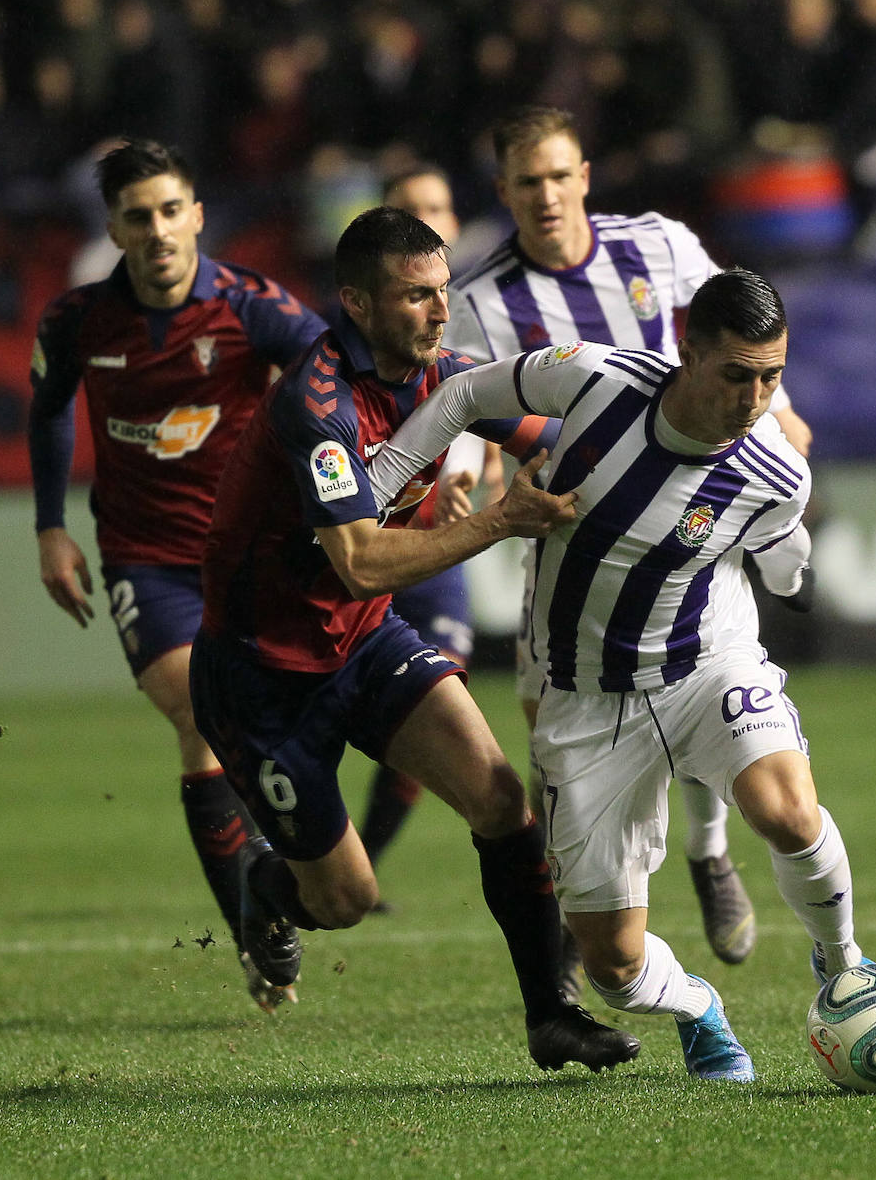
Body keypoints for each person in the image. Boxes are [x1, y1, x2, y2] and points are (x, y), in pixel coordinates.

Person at [367, 267, 876, 1079]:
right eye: (736, 375)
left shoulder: (775, 471)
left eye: (771, 377)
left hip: (704, 666)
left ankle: (843, 963)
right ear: (687, 353)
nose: (754, 398)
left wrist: (797, 581)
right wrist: (385, 476)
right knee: (610, 965)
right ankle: (699, 1007)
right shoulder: (595, 379)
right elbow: (466, 393)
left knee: (786, 812)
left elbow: (784, 550)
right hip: (584, 699)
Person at [188, 205, 641, 1074]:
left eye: (441, 293)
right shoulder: (313, 406)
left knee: (501, 803)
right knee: (347, 899)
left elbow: (567, 439)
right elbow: (358, 561)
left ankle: (552, 1014)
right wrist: (504, 516)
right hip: (261, 680)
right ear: (356, 303)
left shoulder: (451, 377)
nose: (438, 313)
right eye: (414, 298)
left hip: (362, 644)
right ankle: (268, 887)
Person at [445, 103, 813, 977]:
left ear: (584, 177)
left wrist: (784, 417)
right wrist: (463, 466)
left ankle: (709, 851)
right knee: (553, 719)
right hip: (576, 529)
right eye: (526, 182)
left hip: (699, 505)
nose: (546, 196)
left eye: (560, 176)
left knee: (695, 680)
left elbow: (739, 331)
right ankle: (583, 889)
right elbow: (469, 402)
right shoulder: (480, 302)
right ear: (503, 191)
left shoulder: (658, 245)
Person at [27, 137, 326, 1010]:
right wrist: (50, 526)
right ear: (114, 230)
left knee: (265, 725)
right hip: (144, 557)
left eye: (169, 211)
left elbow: (333, 378)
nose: (156, 231)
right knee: (199, 715)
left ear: (196, 213)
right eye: (136, 217)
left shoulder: (251, 307)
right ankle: (255, 922)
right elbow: (47, 413)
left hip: (250, 553)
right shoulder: (76, 321)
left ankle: (265, 897)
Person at [357, 164, 485, 900]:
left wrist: (479, 471)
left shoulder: (478, 308)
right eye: (410, 210)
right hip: (362, 536)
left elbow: (495, 399)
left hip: (439, 535)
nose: (427, 219)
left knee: (436, 701)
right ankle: (299, 859)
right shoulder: (358, 323)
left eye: (438, 207)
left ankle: (363, 866)